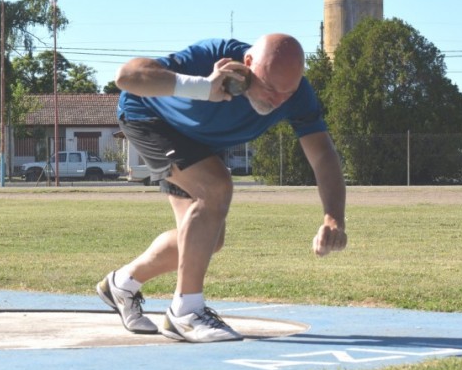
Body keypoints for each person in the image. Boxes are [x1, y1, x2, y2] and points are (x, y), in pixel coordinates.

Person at [96, 33, 348, 343]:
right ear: (247, 65)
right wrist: (202, 87)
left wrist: (333, 216)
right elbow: (127, 76)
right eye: (270, 88)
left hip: (199, 142)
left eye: (288, 91)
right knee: (215, 186)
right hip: (148, 117)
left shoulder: (296, 96)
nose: (277, 100)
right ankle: (185, 312)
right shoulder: (211, 57)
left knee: (207, 240)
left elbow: (321, 153)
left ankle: (122, 283)